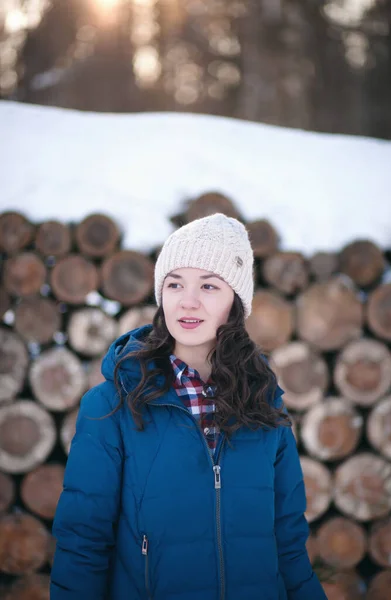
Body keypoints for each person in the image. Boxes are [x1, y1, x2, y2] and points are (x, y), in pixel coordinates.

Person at [50, 213, 327, 600]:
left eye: (209, 285)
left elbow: (290, 545)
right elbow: (82, 543)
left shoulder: (264, 407)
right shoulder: (110, 407)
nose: (188, 301)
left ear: (235, 301)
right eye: (175, 283)